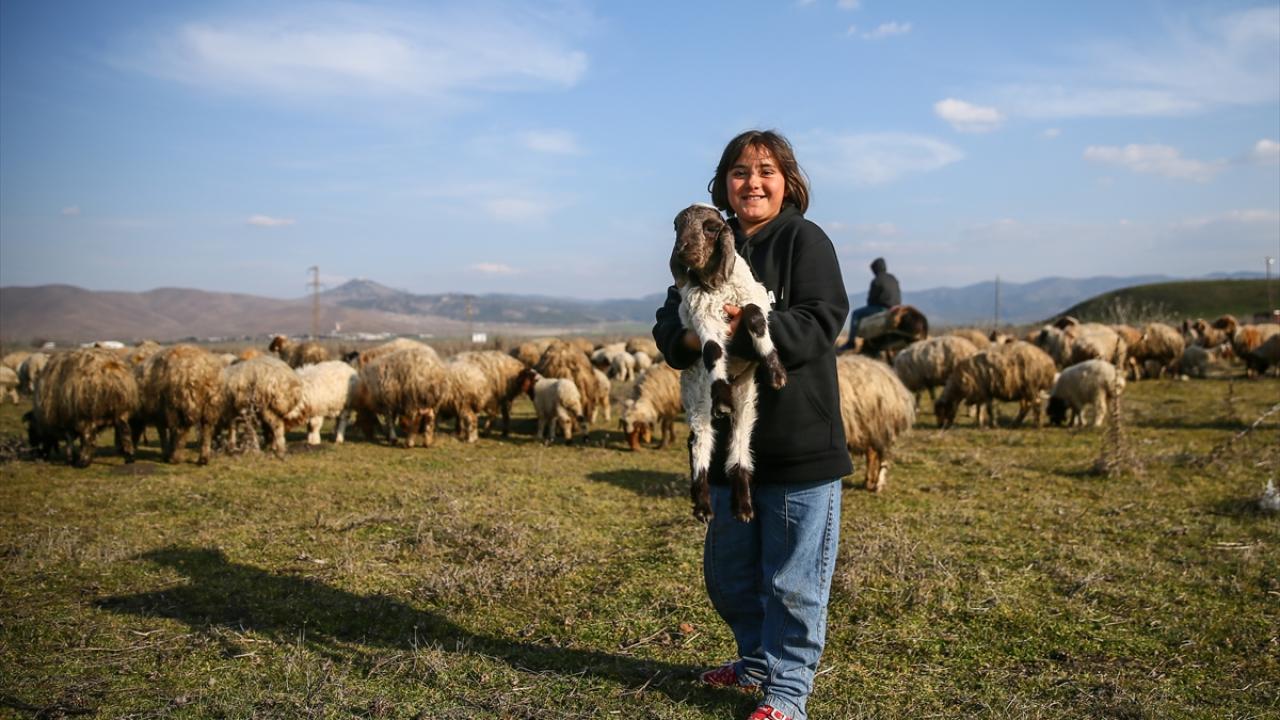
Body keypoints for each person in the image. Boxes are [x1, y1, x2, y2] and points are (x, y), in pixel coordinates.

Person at [653, 130, 851, 720]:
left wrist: (749, 328)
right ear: (723, 184)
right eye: (740, 171)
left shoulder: (804, 240)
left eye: (767, 170)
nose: (753, 182)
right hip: (725, 448)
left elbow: (821, 321)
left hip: (796, 444)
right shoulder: (704, 241)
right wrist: (698, 336)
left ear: (787, 181)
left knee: (793, 582)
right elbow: (669, 325)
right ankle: (756, 661)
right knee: (731, 575)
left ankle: (787, 695)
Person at [840, 257, 901, 350]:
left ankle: (851, 342)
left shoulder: (877, 280)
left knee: (856, 313)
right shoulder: (893, 278)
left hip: (882, 308)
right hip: (896, 308)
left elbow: (871, 299)